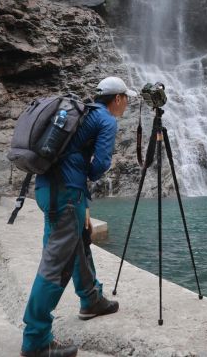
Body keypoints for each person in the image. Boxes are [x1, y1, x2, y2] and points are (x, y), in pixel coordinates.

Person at [20, 76, 136, 357]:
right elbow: (101, 164)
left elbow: (69, 158)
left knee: (78, 244)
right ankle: (35, 339)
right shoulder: (106, 119)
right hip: (66, 195)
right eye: (126, 99)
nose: (127, 104)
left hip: (49, 189)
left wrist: (83, 200)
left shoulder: (83, 113)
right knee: (56, 264)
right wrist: (82, 190)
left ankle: (91, 299)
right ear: (117, 99)